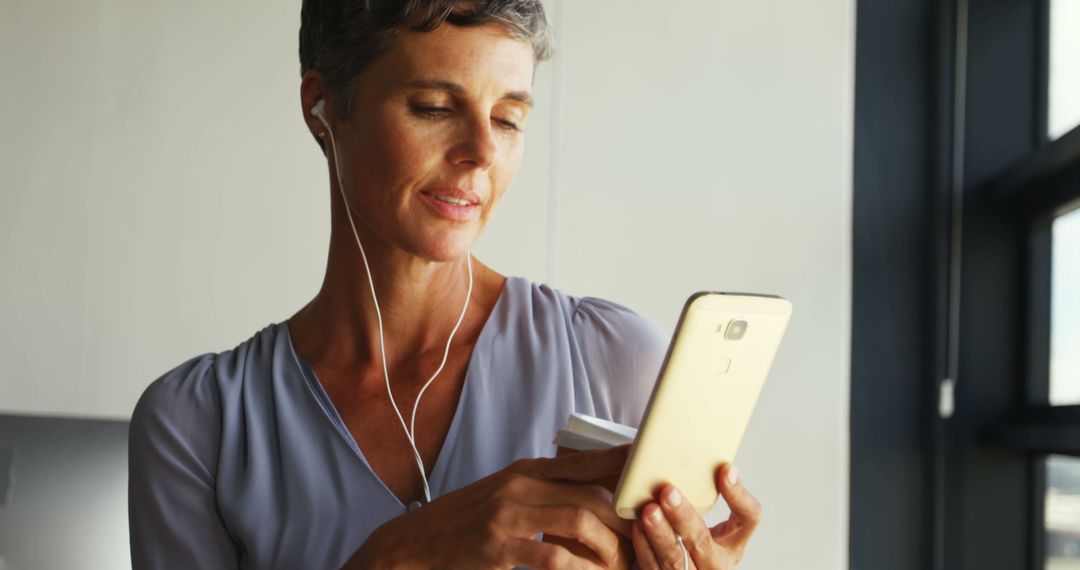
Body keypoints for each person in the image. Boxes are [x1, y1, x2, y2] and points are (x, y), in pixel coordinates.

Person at [127, 1, 762, 568]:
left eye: (509, 119)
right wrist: (395, 559)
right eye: (434, 107)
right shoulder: (196, 425)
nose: (482, 151)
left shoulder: (614, 360)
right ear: (323, 107)